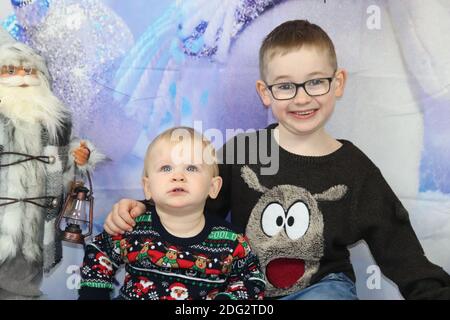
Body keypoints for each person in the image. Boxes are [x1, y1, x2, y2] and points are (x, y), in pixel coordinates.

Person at [103, 20, 450, 299]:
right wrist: (139, 209)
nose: (301, 98)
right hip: (242, 289)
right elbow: (190, 204)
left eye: (315, 82)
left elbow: (401, 252)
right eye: (285, 86)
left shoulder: (355, 169)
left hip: (321, 287)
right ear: (265, 93)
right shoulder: (243, 152)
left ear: (338, 83)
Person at [79, 127, 265, 300]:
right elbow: (99, 252)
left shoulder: (231, 242)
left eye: (191, 168)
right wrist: (94, 294)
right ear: (148, 187)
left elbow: (251, 281)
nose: (178, 176)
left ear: (213, 187)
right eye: (166, 168)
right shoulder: (133, 228)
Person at [0, 28, 104, 299]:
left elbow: (60, 162)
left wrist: (78, 155)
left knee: (20, 283)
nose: (21, 78)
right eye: (10, 71)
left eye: (29, 71)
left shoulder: (55, 122)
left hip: (31, 227)